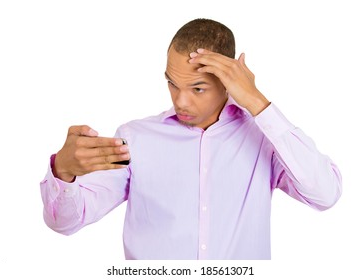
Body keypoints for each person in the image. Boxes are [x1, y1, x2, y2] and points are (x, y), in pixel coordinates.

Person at [40, 18, 342, 260]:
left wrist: (257, 102)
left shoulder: (264, 139)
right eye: (172, 84)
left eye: (197, 88)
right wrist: (64, 173)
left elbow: (325, 194)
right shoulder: (135, 139)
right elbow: (66, 222)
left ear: (228, 83)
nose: (181, 101)